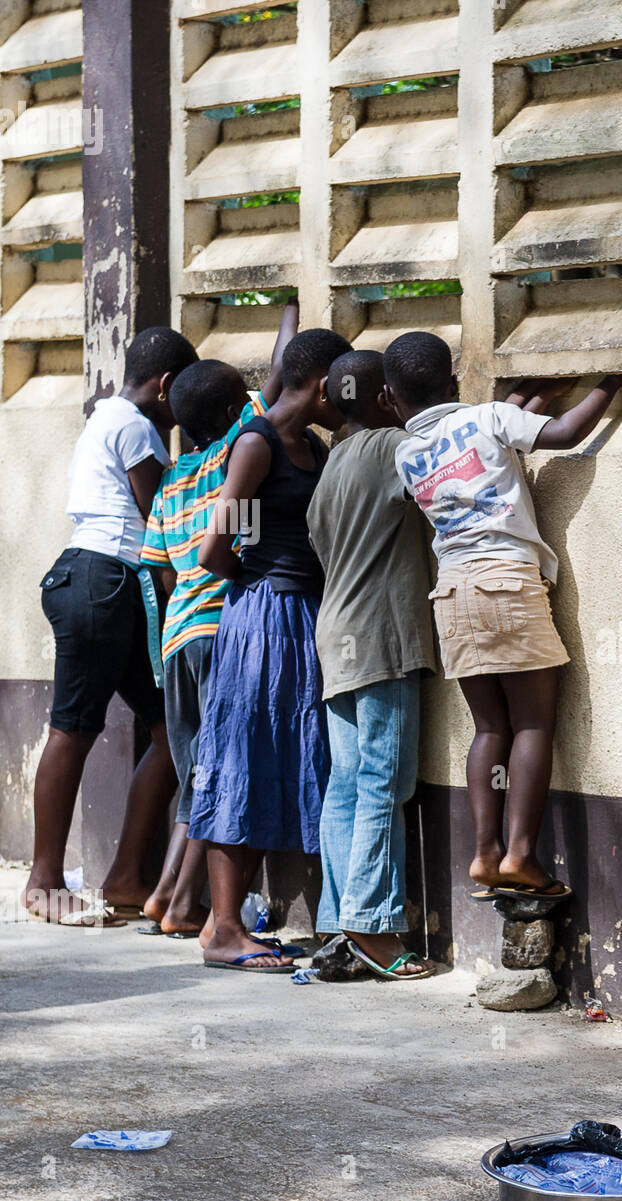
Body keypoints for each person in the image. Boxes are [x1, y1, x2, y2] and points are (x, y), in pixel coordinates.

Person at [385, 331, 622, 903]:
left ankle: (485, 851)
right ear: (453, 382)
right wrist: (611, 383)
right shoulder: (490, 417)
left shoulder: (405, 453)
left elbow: (481, 448)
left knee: (490, 728)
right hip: (508, 581)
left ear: (391, 399)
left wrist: (525, 401)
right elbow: (564, 434)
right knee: (535, 725)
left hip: (451, 592)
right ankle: (522, 854)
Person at [190, 327, 352, 973]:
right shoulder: (256, 443)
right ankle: (224, 929)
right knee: (242, 759)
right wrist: (264, 588)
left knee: (279, 756)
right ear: (320, 385)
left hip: (298, 618)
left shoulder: (307, 443)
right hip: (261, 618)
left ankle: (233, 922)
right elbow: (213, 549)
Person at [26, 326, 198, 927]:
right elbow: (162, 515)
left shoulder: (111, 418)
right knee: (73, 729)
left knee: (171, 732)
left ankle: (126, 876)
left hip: (110, 587)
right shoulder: (133, 425)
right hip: (105, 582)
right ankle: (44, 883)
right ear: (167, 386)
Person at [139, 300, 298, 940]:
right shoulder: (238, 447)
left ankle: (171, 901)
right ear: (238, 410)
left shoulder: (172, 480)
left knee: (199, 772)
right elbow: (283, 375)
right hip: (218, 631)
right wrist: (288, 311)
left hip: (177, 638)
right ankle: (182, 905)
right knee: (223, 770)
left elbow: (159, 571)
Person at [306, 350, 438, 979]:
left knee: (347, 784)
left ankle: (336, 921)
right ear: (386, 396)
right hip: (381, 638)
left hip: (335, 638)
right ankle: (374, 926)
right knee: (385, 781)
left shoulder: (330, 466)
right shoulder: (393, 446)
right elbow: (444, 466)